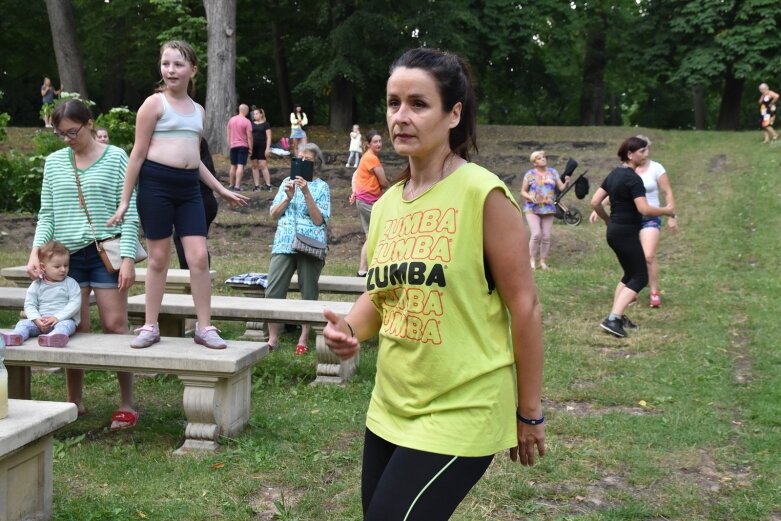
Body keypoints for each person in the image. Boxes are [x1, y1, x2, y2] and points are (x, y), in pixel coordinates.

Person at [323, 48, 545, 520]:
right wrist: (350, 330)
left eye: (418, 104)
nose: (401, 117)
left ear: (453, 114)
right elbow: (382, 296)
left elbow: (524, 306)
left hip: (463, 407)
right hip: (390, 405)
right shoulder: (385, 206)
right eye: (393, 103)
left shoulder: (482, 194)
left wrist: (528, 412)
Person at [108, 40, 248, 350]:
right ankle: (149, 326)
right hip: (156, 186)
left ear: (193, 70)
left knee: (198, 257)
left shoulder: (198, 111)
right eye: (166, 63)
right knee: (158, 259)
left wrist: (221, 188)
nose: (171, 70)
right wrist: (124, 200)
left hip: (188, 189)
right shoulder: (154, 104)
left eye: (178, 64)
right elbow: (138, 154)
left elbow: (193, 158)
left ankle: (205, 327)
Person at [27, 98, 139, 429]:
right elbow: (47, 213)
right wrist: (36, 251)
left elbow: (130, 211)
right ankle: (73, 401)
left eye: (72, 131)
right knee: (73, 327)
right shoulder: (54, 163)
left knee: (116, 325)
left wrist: (130, 257)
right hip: (65, 258)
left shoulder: (117, 157)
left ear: (89, 124)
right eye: (60, 134)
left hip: (107, 254)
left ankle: (127, 403)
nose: (67, 139)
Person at [590, 136, 675, 338]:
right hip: (626, 232)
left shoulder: (614, 175)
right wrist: (666, 211)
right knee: (640, 277)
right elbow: (644, 209)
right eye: (642, 152)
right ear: (630, 154)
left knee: (629, 274)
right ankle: (613, 319)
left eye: (646, 151)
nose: (646, 155)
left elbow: (595, 202)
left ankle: (618, 316)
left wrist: (607, 221)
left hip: (614, 232)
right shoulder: (633, 178)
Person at [266, 143, 330, 355]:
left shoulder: (322, 187)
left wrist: (306, 192)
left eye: (307, 160)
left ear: (315, 164)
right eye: (299, 159)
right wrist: (288, 197)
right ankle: (273, 338)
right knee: (274, 289)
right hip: (284, 242)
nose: (301, 163)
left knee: (308, 291)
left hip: (309, 245)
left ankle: (303, 338)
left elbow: (319, 220)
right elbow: (274, 214)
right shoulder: (286, 183)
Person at [2, 240, 80, 348]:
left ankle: (55, 337)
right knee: (23, 324)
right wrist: (36, 319)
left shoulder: (71, 283)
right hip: (40, 322)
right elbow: (30, 305)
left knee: (67, 325)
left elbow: (74, 304)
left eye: (66, 265)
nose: (63, 269)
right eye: (57, 267)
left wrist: (57, 317)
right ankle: (17, 336)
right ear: (43, 267)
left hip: (62, 320)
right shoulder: (37, 285)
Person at [173, 137, 219, 269]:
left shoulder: (195, 165)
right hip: (206, 203)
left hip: (202, 203)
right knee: (195, 241)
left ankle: (191, 273)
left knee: (185, 239)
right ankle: (196, 272)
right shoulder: (205, 163)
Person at [520, 150, 569, 271]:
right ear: (534, 163)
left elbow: (561, 188)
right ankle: (531, 260)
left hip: (548, 208)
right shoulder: (530, 174)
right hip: (532, 208)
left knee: (546, 236)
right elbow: (523, 191)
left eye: (543, 157)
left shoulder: (553, 172)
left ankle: (543, 262)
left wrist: (567, 182)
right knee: (536, 234)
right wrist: (530, 197)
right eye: (539, 158)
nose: (543, 159)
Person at [349, 130, 388, 277]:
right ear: (368, 144)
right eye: (375, 142)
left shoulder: (366, 157)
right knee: (383, 232)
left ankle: (363, 270)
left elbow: (355, 176)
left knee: (371, 235)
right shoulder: (371, 158)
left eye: (380, 141)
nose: (378, 144)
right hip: (368, 201)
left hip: (363, 200)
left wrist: (354, 192)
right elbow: (383, 181)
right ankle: (378, 267)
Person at [227, 104, 253, 191]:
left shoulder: (231, 120)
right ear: (245, 111)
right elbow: (249, 136)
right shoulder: (247, 121)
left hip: (233, 145)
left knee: (233, 165)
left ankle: (231, 184)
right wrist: (250, 148)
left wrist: (230, 144)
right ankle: (237, 186)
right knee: (240, 166)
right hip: (243, 145)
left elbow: (228, 134)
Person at [250, 108, 273, 191]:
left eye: (256, 113)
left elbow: (269, 137)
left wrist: (267, 148)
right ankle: (257, 185)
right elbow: (249, 136)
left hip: (262, 146)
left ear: (261, 114)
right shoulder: (251, 124)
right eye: (254, 114)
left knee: (263, 165)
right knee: (254, 166)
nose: (255, 115)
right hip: (253, 147)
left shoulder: (266, 124)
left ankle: (268, 184)